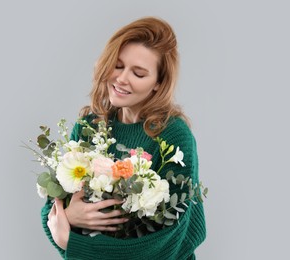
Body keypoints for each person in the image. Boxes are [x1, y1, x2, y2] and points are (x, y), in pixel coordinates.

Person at [41, 16, 206, 259]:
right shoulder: (90, 127)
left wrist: (76, 245)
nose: (121, 78)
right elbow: (52, 215)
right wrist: (68, 215)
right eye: (117, 65)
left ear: (158, 84)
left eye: (138, 73)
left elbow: (172, 238)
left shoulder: (172, 135)